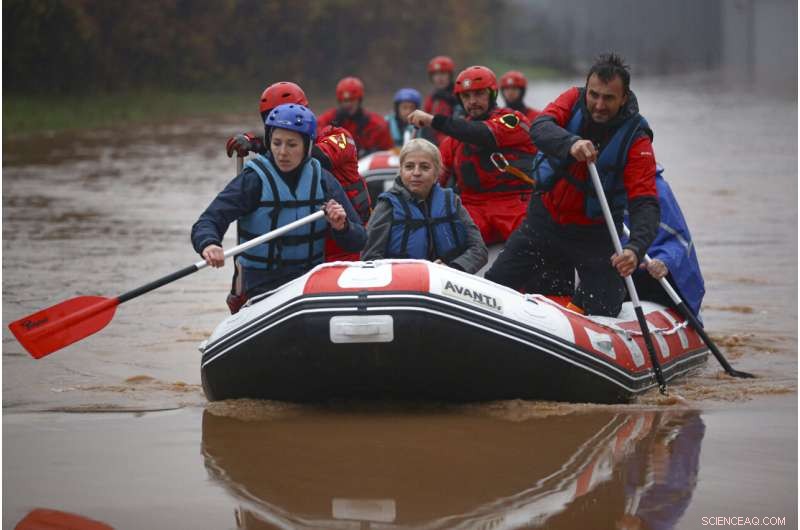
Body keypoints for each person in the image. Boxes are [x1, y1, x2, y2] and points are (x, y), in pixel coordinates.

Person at [484, 53, 660, 317]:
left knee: (604, 311)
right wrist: (570, 143)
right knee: (492, 287)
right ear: (586, 89)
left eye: (608, 98)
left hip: (595, 236)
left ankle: (581, 303)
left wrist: (634, 249)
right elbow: (540, 128)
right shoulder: (572, 100)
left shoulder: (637, 139)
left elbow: (644, 202)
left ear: (624, 98)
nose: (599, 104)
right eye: (594, 95)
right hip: (543, 223)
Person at [193, 103, 366, 313]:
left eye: (291, 144)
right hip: (261, 286)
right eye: (277, 143)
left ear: (307, 146)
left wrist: (342, 227)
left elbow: (359, 239)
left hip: (308, 283)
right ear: (269, 142)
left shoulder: (323, 180)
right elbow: (209, 220)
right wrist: (209, 244)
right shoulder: (253, 180)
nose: (282, 152)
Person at [224, 81, 371, 262]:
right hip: (307, 252)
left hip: (344, 245)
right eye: (274, 118)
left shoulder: (339, 137)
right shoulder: (274, 162)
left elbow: (316, 157)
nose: (282, 122)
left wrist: (258, 143)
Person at [407, 65, 538, 246]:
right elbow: (436, 179)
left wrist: (432, 120)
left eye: (479, 94)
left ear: (492, 94)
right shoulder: (453, 140)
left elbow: (482, 133)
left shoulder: (513, 119)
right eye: (466, 96)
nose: (472, 102)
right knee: (432, 239)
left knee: (535, 242)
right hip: (472, 209)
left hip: (515, 204)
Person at [361, 138, 488, 273]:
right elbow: (369, 258)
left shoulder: (452, 202)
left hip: (449, 281)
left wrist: (452, 269)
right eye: (409, 167)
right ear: (401, 171)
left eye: (424, 167)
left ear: (436, 173)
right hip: (405, 286)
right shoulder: (387, 205)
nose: (416, 173)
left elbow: (479, 250)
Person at [628, 166, 705, 320]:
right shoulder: (598, 185)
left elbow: (679, 241)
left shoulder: (658, 189)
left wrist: (664, 261)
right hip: (618, 271)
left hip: (653, 276)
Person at [317, 76, 393, 157]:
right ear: (339, 101)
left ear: (359, 100)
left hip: (366, 166)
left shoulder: (377, 124)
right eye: (345, 101)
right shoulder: (326, 121)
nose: (348, 104)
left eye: (352, 100)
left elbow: (388, 153)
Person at [422, 55, 462, 145]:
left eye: (443, 74)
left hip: (455, 142)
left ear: (450, 75)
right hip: (435, 144)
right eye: (436, 74)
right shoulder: (431, 99)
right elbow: (426, 125)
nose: (439, 78)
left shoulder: (460, 95)